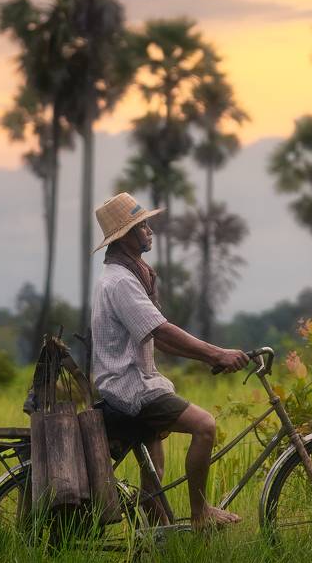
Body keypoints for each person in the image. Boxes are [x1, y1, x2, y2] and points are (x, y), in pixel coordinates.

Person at [91, 191, 248, 528]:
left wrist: (208, 356)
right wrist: (217, 353)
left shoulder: (127, 276)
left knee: (155, 473)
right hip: (131, 389)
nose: (149, 231)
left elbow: (157, 334)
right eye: (142, 226)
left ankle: (159, 541)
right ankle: (201, 513)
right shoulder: (121, 282)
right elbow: (160, 333)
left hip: (135, 383)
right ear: (124, 237)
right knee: (205, 426)